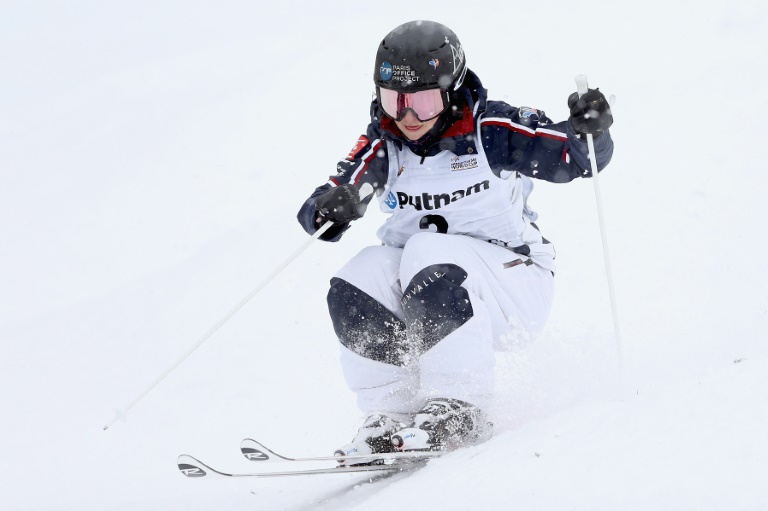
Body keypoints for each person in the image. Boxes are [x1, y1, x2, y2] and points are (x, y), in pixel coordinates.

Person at [297, 20, 613, 459]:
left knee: (425, 250)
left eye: (423, 102)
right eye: (395, 102)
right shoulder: (386, 145)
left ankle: (459, 406)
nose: (407, 118)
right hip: (432, 289)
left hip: (514, 286)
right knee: (358, 276)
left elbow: (571, 158)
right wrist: (331, 207)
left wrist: (587, 132)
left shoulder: (491, 131)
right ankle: (391, 414)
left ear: (450, 92)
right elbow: (325, 203)